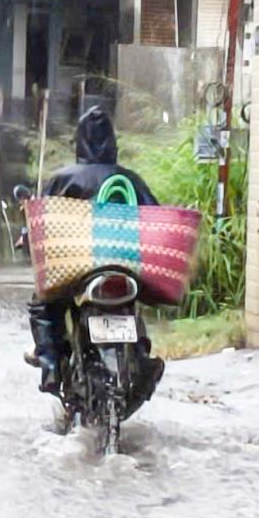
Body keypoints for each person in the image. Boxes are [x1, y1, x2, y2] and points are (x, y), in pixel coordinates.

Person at [28, 106, 163, 400]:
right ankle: (141, 357)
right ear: (112, 142)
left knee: (44, 305)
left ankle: (50, 364)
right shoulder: (131, 179)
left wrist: (27, 236)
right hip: (124, 268)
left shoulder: (63, 178)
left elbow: (42, 223)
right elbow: (156, 218)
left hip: (78, 269)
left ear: (80, 141)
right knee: (135, 305)